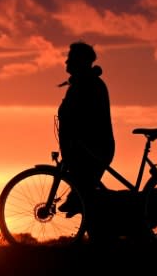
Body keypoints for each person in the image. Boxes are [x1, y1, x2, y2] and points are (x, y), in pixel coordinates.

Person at [56, 41, 115, 214]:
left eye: (70, 58)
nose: (66, 62)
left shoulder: (89, 85)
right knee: (84, 193)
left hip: (93, 149)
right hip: (84, 148)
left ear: (80, 61)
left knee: (85, 194)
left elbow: (86, 117)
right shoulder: (80, 84)